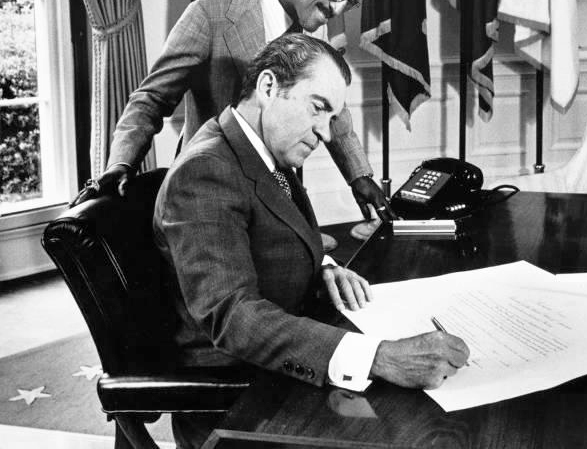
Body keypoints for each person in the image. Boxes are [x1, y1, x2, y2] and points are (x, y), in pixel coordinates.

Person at [154, 34, 469, 448]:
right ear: (269, 87)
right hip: (240, 394)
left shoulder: (261, 150)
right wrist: (379, 357)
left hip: (280, 360)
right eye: (318, 108)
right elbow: (233, 316)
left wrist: (322, 266)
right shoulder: (206, 171)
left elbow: (269, 235)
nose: (325, 133)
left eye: (331, 117)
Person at [77, 0, 396, 236]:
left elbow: (332, 110)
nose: (338, 10)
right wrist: (121, 163)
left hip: (279, 208)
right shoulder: (209, 17)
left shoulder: (312, 31)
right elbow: (151, 99)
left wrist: (359, 175)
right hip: (209, 204)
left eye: (351, 2)